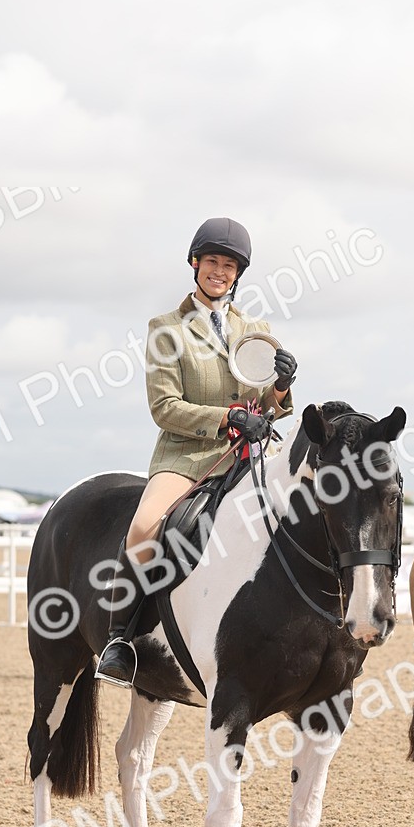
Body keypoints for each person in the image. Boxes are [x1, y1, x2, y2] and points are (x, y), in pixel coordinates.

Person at [95, 217, 297, 687]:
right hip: (187, 458)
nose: (219, 272)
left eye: (229, 265)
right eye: (212, 262)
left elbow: (264, 404)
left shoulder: (256, 328)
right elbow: (164, 407)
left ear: (237, 274)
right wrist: (226, 418)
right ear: (195, 263)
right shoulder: (166, 330)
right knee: (144, 528)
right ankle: (121, 639)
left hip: (249, 457)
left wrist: (282, 390)